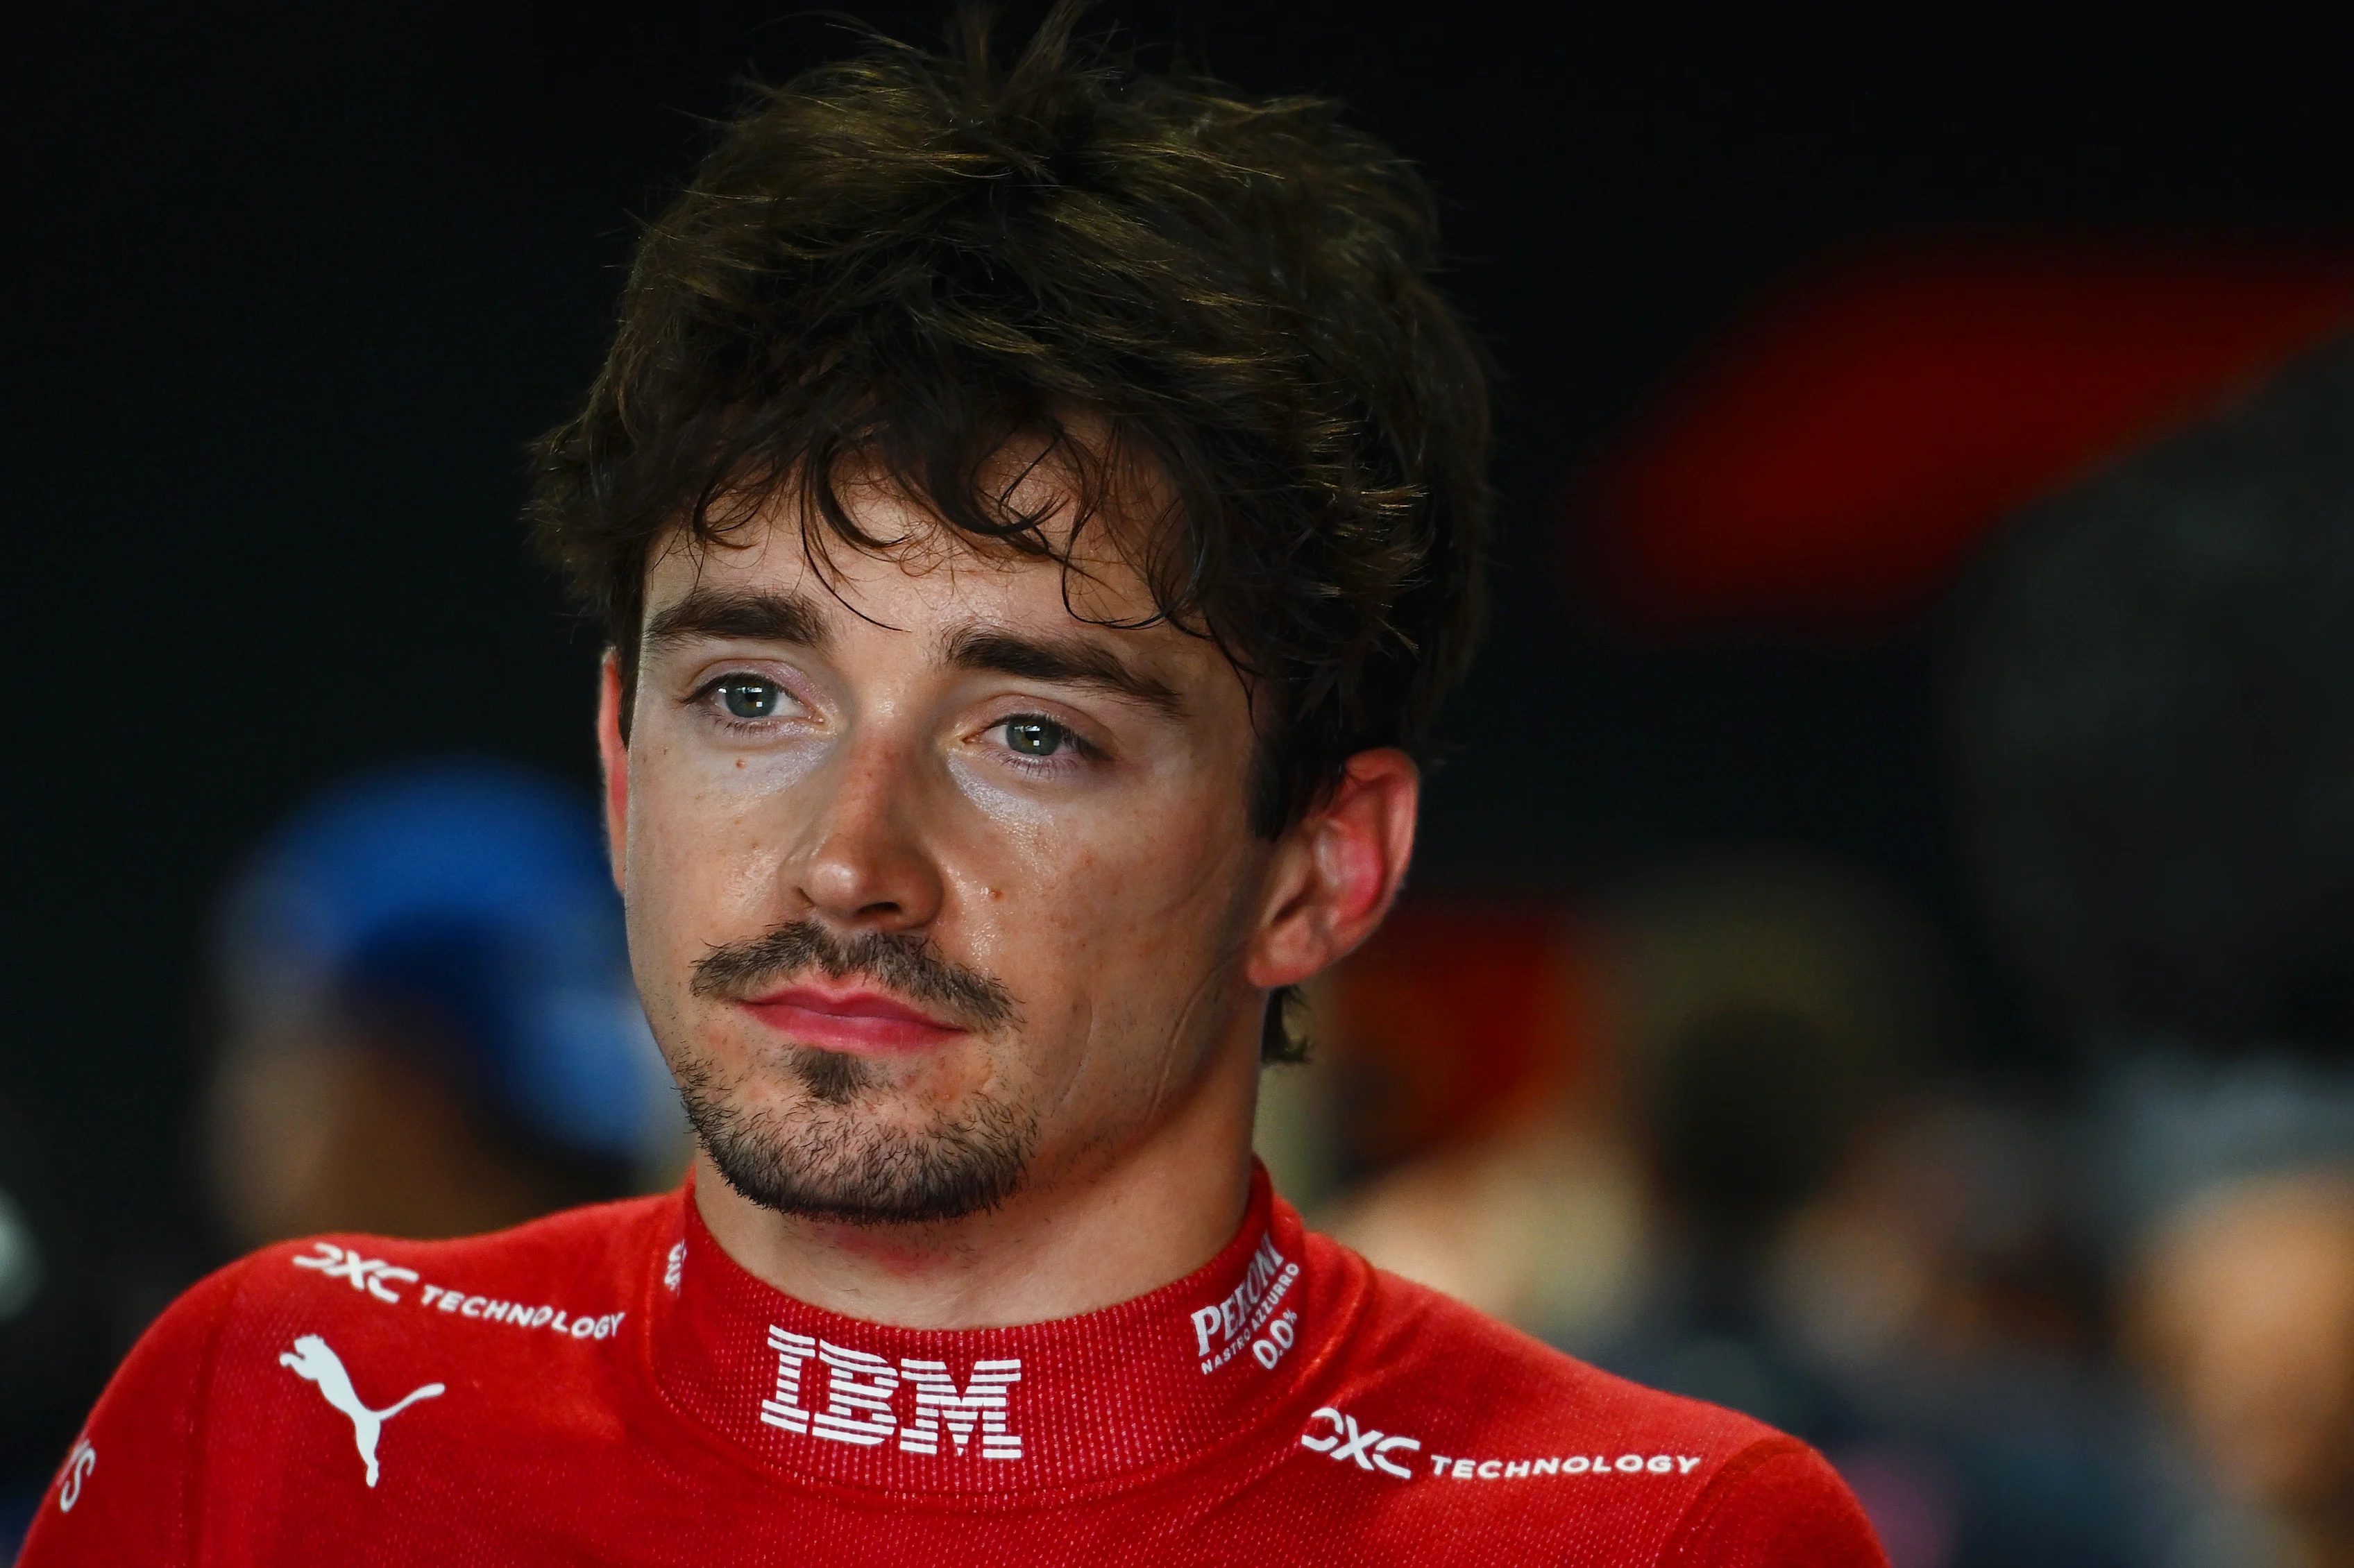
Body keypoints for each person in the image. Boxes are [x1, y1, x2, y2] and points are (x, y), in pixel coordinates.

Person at [19, 7, 1884, 1562]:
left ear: (1323, 866)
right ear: (619, 765)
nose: (849, 860)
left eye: (1031, 734)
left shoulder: (1660, 1538)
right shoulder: (275, 1418)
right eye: (752, 696)